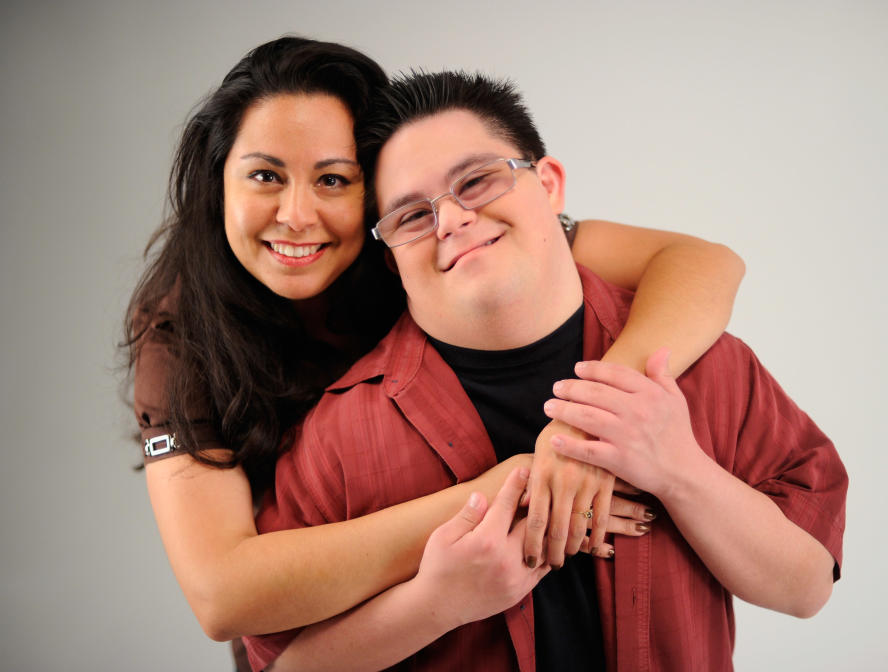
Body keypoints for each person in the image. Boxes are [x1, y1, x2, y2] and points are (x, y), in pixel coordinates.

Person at [123, 37, 745, 665]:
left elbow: (702, 262)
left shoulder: (429, 232)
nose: (297, 215)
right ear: (215, 180)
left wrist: (590, 423)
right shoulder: (176, 330)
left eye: (334, 179)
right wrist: (514, 489)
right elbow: (222, 596)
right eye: (264, 175)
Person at [243, 71, 847, 672]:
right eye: (411, 217)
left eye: (476, 182)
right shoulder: (339, 431)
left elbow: (807, 586)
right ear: (391, 257)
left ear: (550, 184)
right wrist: (438, 604)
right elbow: (279, 664)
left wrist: (679, 470)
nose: (450, 220)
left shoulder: (701, 363)